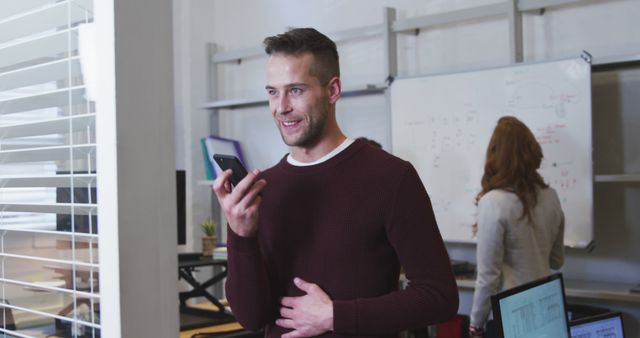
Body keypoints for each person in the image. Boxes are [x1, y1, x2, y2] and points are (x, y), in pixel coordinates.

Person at [213, 28, 458, 338]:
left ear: (332, 91)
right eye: (273, 92)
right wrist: (241, 235)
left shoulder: (392, 177)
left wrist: (335, 316)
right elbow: (252, 317)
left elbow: (439, 297)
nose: (281, 106)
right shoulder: (264, 188)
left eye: (296, 90)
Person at [468, 116, 565, 338]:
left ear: (495, 155)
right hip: (548, 311)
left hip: (512, 318)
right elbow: (556, 260)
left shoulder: (494, 202)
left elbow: (488, 277)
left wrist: (475, 324)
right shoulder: (551, 197)